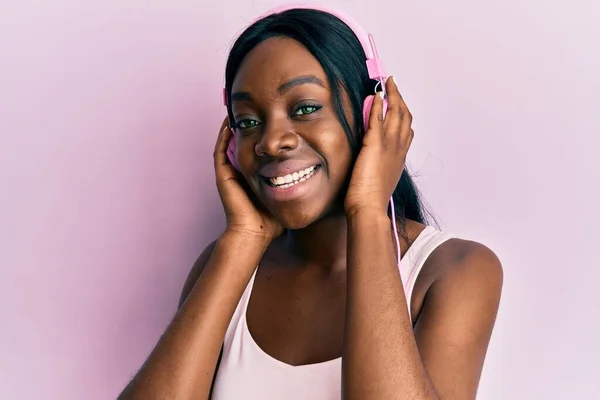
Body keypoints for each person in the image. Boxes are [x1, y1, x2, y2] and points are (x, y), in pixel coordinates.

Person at [118, 6, 503, 400]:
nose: (271, 142)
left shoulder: (455, 271)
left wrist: (369, 211)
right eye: (248, 121)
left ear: (373, 115)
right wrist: (243, 238)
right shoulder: (223, 266)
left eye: (304, 109)